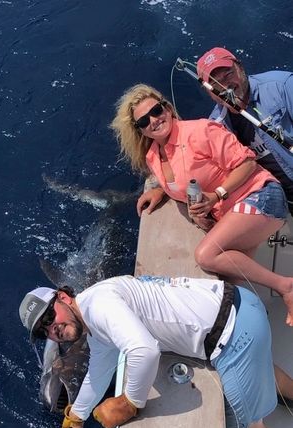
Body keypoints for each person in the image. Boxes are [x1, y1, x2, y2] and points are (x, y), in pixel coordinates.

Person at [19, 275, 293, 428]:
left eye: (49, 316)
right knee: (258, 367)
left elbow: (144, 350)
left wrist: (130, 402)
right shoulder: (95, 312)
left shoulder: (100, 306)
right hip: (242, 305)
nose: (52, 328)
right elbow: (99, 368)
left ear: (64, 297)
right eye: (45, 332)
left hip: (234, 336)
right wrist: (78, 414)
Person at [110, 83, 293, 325]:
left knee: (206, 255)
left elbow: (247, 163)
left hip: (262, 196)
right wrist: (161, 191)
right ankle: (257, 326)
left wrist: (216, 195)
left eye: (157, 111)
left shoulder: (201, 130)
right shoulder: (153, 156)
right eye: (144, 121)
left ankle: (285, 286)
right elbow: (184, 180)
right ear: (140, 130)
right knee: (231, 296)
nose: (154, 120)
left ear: (168, 108)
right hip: (233, 215)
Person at [196, 46, 293, 214]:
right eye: (214, 83)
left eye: (228, 75)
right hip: (278, 198)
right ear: (208, 92)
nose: (225, 86)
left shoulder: (282, 85)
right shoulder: (215, 126)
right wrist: (161, 188)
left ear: (240, 68)